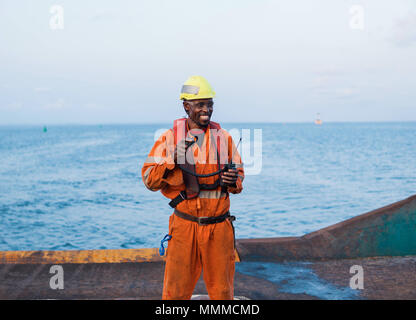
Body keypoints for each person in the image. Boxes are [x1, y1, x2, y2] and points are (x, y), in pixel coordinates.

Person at [141, 75, 244, 300]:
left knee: (222, 293)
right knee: (175, 293)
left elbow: (239, 180)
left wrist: (233, 180)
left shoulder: (224, 138)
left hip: (219, 229)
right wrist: (172, 159)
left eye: (210, 104)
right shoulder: (168, 139)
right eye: (200, 105)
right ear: (186, 106)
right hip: (184, 228)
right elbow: (149, 180)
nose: (206, 109)